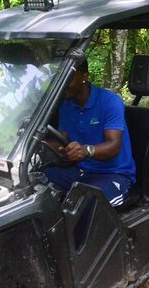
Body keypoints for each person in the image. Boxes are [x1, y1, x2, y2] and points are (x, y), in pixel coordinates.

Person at [45, 59, 135, 207]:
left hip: (114, 175)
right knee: (38, 182)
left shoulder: (110, 101)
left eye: (69, 78)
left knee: (86, 205)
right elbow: (63, 137)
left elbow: (114, 146)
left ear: (84, 77)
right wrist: (39, 144)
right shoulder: (66, 104)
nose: (63, 84)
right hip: (82, 170)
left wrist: (86, 150)